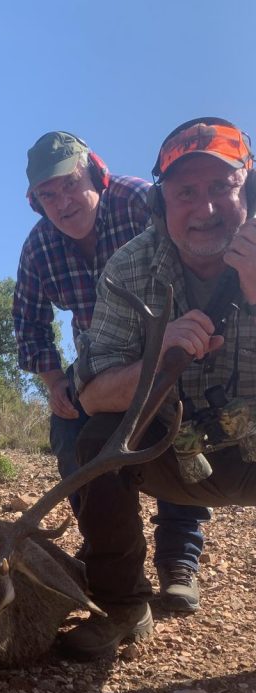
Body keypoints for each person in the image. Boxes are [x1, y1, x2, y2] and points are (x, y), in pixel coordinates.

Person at [62, 116, 256, 658]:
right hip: (175, 456)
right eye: (185, 193)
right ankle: (121, 604)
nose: (205, 208)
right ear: (159, 204)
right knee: (95, 439)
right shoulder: (129, 268)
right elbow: (93, 395)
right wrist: (157, 355)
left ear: (249, 189)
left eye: (222, 187)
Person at [13, 130, 210, 613]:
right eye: (48, 195)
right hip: (102, 364)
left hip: (174, 349)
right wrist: (56, 381)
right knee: (71, 435)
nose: (63, 203)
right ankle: (111, 556)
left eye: (70, 184)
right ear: (36, 202)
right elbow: (28, 323)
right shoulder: (38, 249)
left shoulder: (142, 202)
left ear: (96, 174)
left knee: (180, 432)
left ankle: (178, 561)